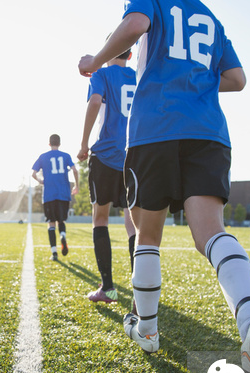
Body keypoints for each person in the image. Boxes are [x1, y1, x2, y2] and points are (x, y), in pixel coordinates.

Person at [78, 0, 250, 373]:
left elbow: (135, 23)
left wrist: (94, 60)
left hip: (156, 128)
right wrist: (196, 81)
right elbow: (237, 79)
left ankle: (148, 331)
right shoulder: (210, 16)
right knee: (211, 234)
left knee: (147, 235)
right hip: (207, 131)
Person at [77, 45, 137, 304]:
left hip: (106, 155)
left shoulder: (101, 74)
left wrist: (83, 143)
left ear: (108, 49)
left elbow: (94, 101)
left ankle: (108, 289)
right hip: (135, 155)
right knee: (134, 223)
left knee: (100, 219)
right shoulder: (139, 75)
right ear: (131, 55)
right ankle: (140, 291)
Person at [32, 134, 79, 261]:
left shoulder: (43, 156)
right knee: (61, 221)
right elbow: (75, 170)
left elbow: (33, 174)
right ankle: (62, 235)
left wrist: (41, 181)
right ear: (59, 143)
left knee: (51, 223)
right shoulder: (66, 156)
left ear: (49, 143)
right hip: (63, 194)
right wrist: (76, 186)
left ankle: (54, 253)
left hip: (49, 194)